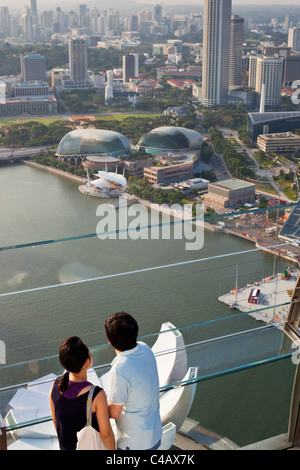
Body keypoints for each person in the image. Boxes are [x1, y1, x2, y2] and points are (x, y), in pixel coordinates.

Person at [104, 311, 162, 450]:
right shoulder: (145, 348)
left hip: (134, 444)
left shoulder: (119, 369)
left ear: (109, 340)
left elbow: (114, 412)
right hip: (154, 433)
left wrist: (95, 404)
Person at [49, 336, 115, 450]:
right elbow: (106, 434)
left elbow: (56, 421)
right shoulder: (96, 395)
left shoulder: (55, 385)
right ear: (87, 362)